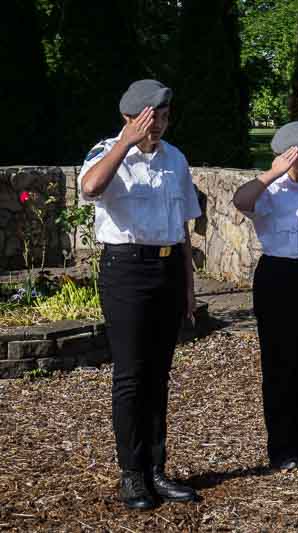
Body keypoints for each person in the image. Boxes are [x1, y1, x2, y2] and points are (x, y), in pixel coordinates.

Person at [78, 79, 201, 510]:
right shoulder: (105, 152)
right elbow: (91, 188)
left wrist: (188, 286)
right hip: (126, 270)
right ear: (128, 119)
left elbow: (184, 227)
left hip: (167, 268)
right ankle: (131, 475)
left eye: (163, 118)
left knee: (159, 375)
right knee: (131, 376)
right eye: (148, 120)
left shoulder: (176, 160)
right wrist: (124, 145)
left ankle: (156, 469)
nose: (157, 127)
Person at [232, 121, 298, 472]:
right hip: (278, 278)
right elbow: (240, 200)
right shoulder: (272, 191)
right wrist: (271, 173)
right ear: (289, 156)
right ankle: (281, 448)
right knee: (279, 366)